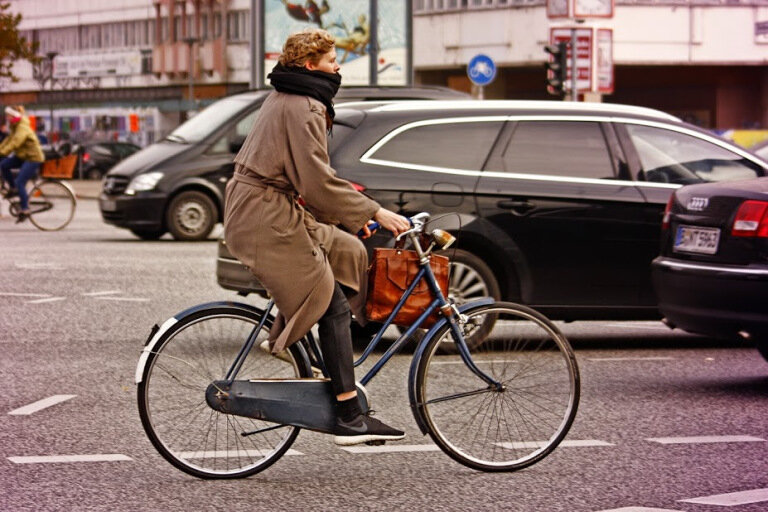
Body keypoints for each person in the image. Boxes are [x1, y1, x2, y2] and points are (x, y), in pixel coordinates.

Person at [224, 28, 411, 446]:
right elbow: (314, 180)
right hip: (265, 216)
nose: (337, 66)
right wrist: (373, 210)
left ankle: (336, 376)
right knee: (332, 304)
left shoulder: (287, 95)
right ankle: (346, 412)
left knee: (347, 250)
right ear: (311, 65)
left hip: (267, 206)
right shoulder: (305, 105)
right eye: (331, 60)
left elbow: (302, 178)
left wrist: (348, 221)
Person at [0, 106, 45, 223]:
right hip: (22, 155)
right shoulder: (14, 126)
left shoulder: (22, 127)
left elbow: (15, 143)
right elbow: (8, 140)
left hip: (33, 157)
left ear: (14, 116)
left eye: (9, 116)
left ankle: (25, 209)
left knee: (20, 181)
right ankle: (13, 188)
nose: (7, 118)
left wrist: (2, 152)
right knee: (3, 165)